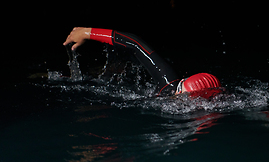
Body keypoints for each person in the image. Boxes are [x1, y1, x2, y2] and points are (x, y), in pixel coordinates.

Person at [63, 27, 222, 97]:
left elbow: (136, 44)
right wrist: (88, 32)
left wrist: (88, 32)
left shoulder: (170, 88)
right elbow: (136, 45)